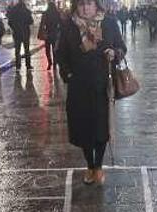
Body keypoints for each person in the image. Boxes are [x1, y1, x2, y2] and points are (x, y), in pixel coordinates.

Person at [56, 0, 126, 185]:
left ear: (97, 5)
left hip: (101, 85)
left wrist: (115, 53)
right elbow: (60, 54)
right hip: (79, 87)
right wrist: (68, 74)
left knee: (101, 128)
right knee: (83, 128)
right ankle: (90, 165)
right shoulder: (68, 26)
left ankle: (99, 166)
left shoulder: (109, 23)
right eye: (81, 4)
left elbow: (121, 47)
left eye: (89, 3)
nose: (85, 8)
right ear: (75, 7)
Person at [7, 0, 34, 71]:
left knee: (17, 50)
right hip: (25, 33)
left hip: (16, 33)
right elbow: (31, 21)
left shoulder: (13, 11)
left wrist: (14, 28)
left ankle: (18, 66)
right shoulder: (26, 11)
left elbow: (9, 22)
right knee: (27, 50)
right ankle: (28, 66)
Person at [39, 0, 62, 70]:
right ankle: (55, 63)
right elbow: (61, 23)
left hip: (48, 34)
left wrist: (42, 32)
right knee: (55, 50)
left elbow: (42, 24)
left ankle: (50, 62)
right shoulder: (57, 13)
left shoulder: (45, 13)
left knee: (47, 50)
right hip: (55, 33)